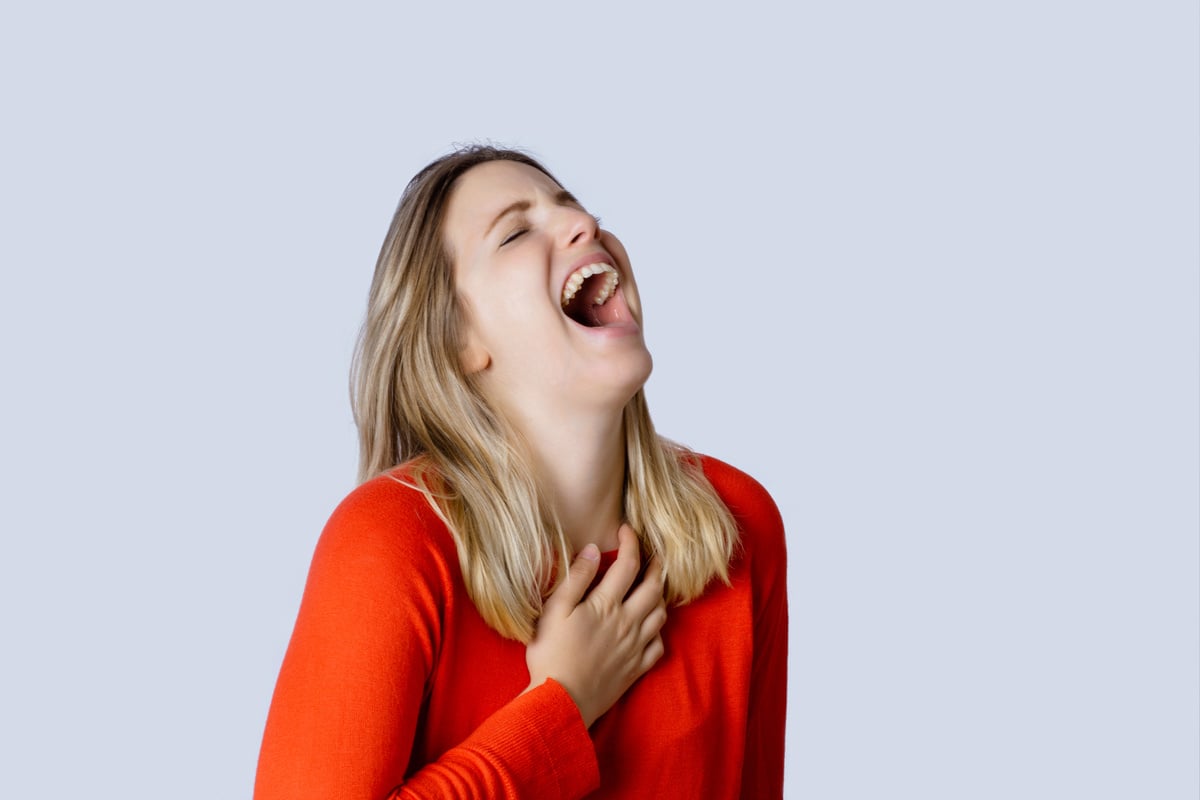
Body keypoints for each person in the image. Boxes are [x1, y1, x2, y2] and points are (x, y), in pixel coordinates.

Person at [254, 145, 788, 799]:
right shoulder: (391, 540)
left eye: (573, 208)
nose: (585, 225)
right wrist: (563, 705)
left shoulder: (738, 523)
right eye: (514, 231)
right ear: (459, 340)